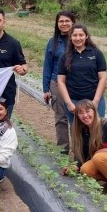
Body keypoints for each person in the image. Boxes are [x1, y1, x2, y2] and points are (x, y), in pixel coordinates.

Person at [56, 23, 107, 123]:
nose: (78, 38)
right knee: (77, 133)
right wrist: (69, 103)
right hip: (74, 101)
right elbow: (61, 81)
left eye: (81, 35)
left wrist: (95, 102)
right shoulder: (65, 56)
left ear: (86, 36)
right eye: (75, 35)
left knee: (98, 131)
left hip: (94, 100)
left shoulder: (96, 53)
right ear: (70, 37)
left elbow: (103, 78)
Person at [42, 11, 77, 154]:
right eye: (61, 21)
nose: (64, 24)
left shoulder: (78, 39)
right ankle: (63, 150)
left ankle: (79, 151)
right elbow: (47, 66)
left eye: (67, 21)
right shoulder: (53, 43)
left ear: (73, 22)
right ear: (57, 24)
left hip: (75, 84)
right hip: (56, 83)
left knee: (77, 118)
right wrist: (46, 88)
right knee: (60, 117)